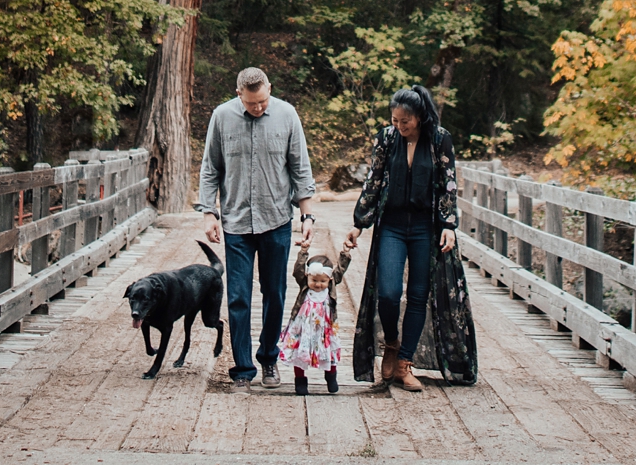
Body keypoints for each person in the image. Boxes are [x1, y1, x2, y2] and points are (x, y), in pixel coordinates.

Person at [343, 84, 478, 389]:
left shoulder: (439, 139)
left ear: (419, 117)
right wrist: (359, 223)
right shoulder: (387, 139)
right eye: (395, 120)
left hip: (424, 228)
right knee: (388, 293)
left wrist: (447, 225)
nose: (400, 126)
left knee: (418, 295)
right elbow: (373, 180)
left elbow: (448, 183)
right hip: (391, 225)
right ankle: (391, 343)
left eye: (405, 121)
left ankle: (404, 363)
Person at [198, 66, 317, 385]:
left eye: (263, 101)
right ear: (240, 94)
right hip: (236, 222)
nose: (259, 107)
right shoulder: (222, 117)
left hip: (277, 220)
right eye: (252, 103)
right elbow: (210, 169)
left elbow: (300, 169)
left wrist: (307, 216)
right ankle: (243, 368)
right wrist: (209, 213)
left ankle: (268, 359)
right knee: (237, 296)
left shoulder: (287, 115)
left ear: (269, 89)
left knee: (275, 293)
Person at [276, 222, 351, 395]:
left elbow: (340, 269)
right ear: (308, 277)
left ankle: (331, 376)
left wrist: (345, 252)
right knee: (299, 352)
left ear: (329, 280)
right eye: (314, 280)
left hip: (324, 329)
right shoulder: (305, 286)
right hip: (304, 328)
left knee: (328, 352)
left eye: (322, 281)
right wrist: (303, 252)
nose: (318, 284)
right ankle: (300, 380)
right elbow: (297, 271)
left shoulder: (330, 285)